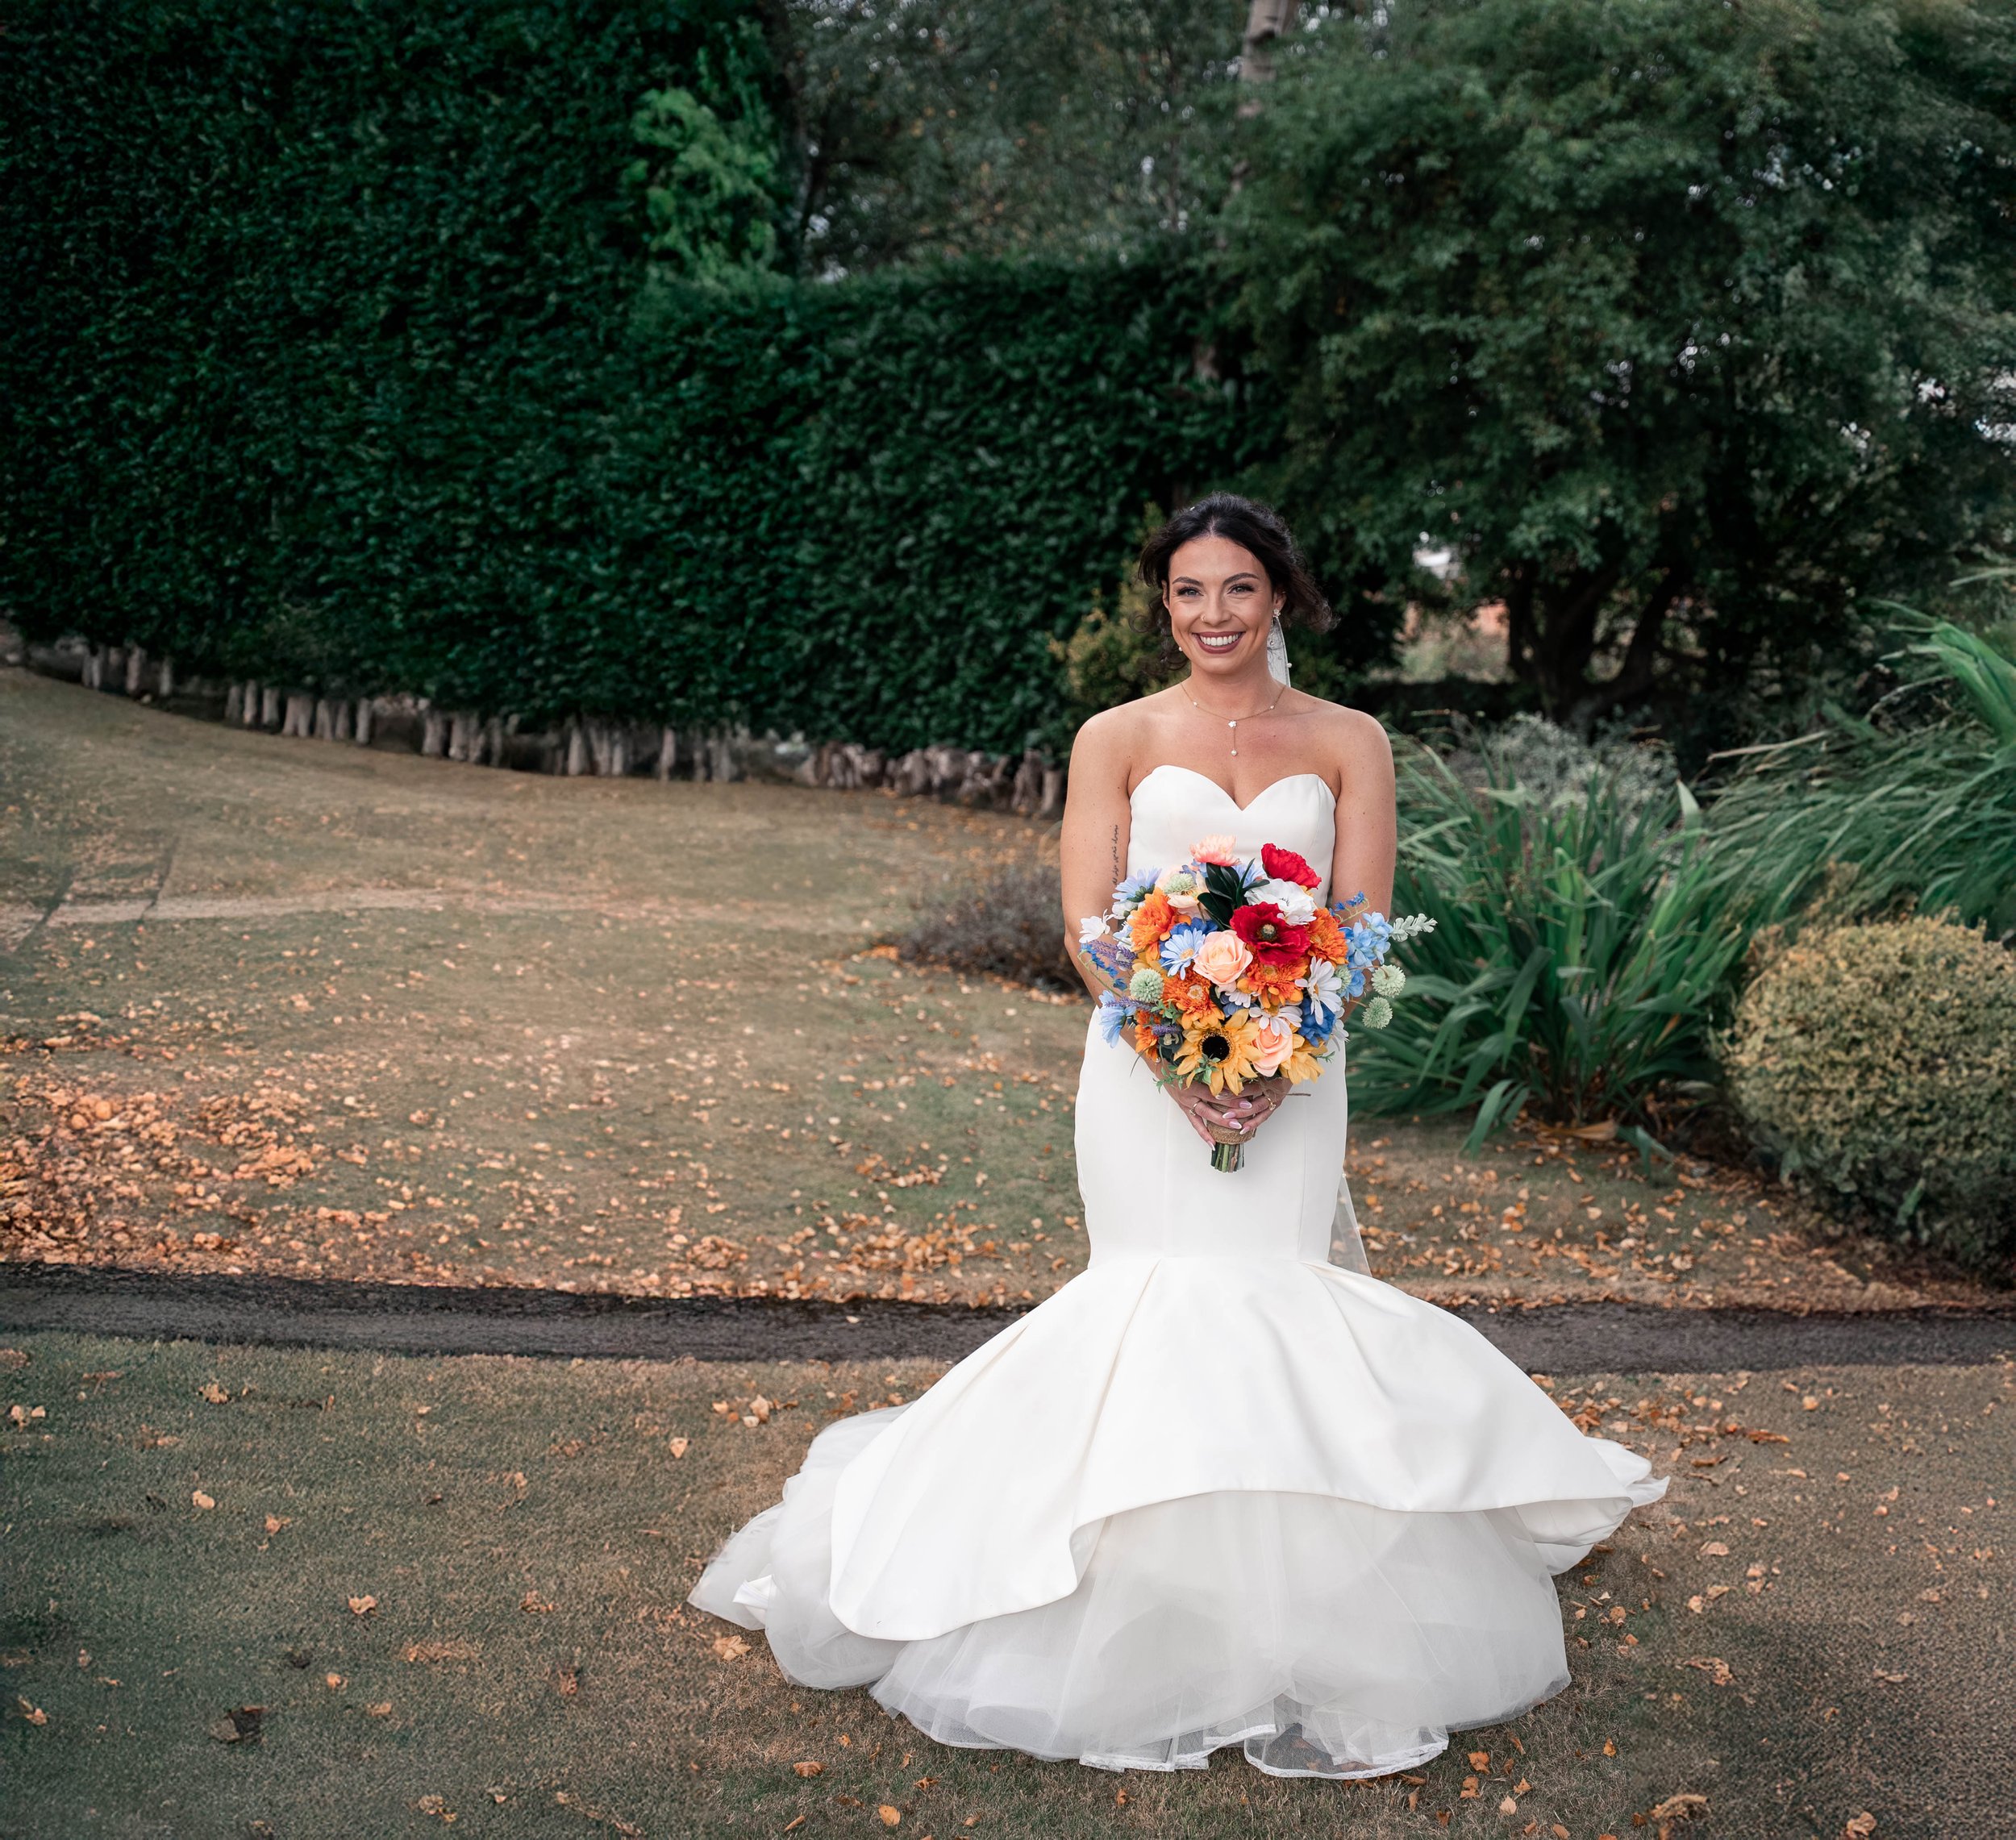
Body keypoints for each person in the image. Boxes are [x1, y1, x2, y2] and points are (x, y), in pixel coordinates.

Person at [688, 493, 1666, 1780]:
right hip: (1143, 1076)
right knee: (1149, 1302)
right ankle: (1111, 1595)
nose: (1214, 614)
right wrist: (1181, 1056)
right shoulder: (1116, 736)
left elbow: (1359, 926)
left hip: (1299, 1076)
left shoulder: (1351, 740)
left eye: (1239, 590)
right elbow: (1091, 924)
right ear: (1165, 605)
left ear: (1283, 598)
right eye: (1190, 591)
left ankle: (1289, 1617)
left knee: (1273, 1304)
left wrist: (1275, 1056)